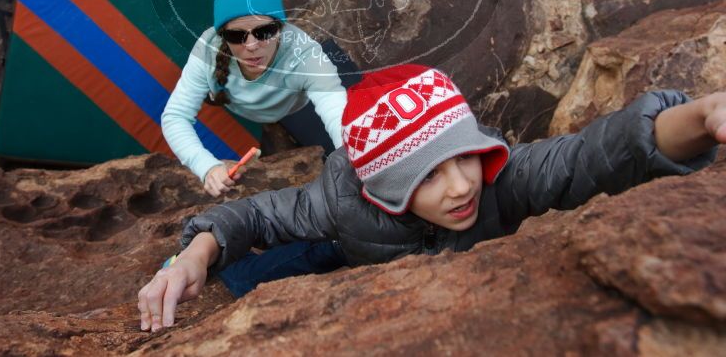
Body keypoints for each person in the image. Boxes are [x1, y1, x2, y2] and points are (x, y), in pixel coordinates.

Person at [140, 64, 725, 332]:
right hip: (353, 254)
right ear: (384, 185)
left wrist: (697, 117)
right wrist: (192, 256)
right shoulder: (342, 199)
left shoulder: (502, 180)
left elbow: (590, 156)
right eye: (428, 175)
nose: (463, 184)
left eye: (465, 155)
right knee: (268, 266)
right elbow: (254, 213)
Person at [161, 0, 349, 295]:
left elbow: (336, 112)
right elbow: (175, 116)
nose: (251, 46)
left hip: (299, 103)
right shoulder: (207, 49)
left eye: (264, 31)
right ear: (222, 35)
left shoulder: (304, 51)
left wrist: (357, 156)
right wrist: (207, 167)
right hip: (242, 105)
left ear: (281, 26)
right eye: (237, 35)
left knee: (346, 147)